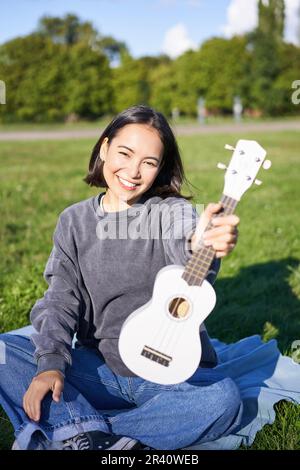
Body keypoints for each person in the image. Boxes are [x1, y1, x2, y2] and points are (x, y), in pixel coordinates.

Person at [0, 105, 242, 451]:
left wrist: (202, 241)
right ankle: (112, 435)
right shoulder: (74, 221)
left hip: (169, 375)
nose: (133, 171)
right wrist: (50, 364)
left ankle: (80, 432)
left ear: (160, 168)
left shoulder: (171, 212)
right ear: (104, 148)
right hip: (98, 368)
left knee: (222, 399)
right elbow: (60, 298)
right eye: (125, 154)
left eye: (149, 162)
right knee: (3, 352)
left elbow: (187, 248)